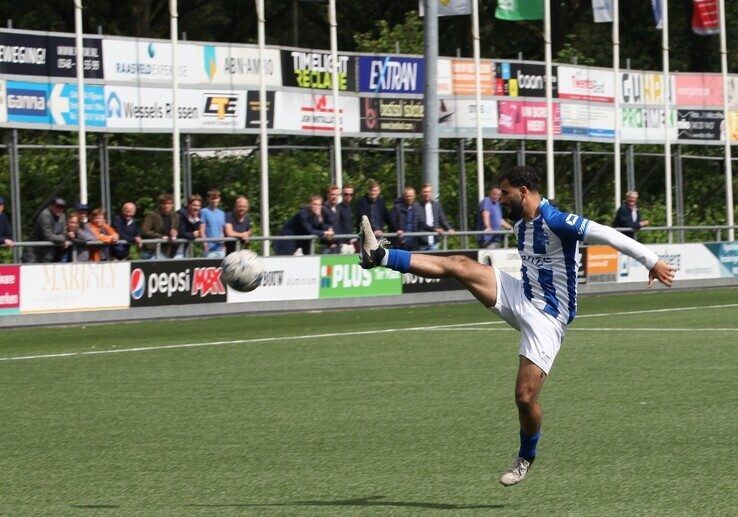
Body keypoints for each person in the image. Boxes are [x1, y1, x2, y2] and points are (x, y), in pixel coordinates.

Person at [357, 165, 676, 487]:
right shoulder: (522, 222)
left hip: (548, 318)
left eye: (506, 191)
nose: (500, 196)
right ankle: (379, 255)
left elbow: (609, 234)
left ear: (524, 191)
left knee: (524, 398)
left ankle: (526, 456)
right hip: (520, 295)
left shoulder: (556, 220)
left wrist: (652, 261)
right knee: (460, 265)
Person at [141, 194, 180, 259]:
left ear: (172, 205)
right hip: (152, 250)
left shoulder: (176, 216)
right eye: (164, 204)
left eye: (169, 204)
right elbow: (145, 230)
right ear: (160, 204)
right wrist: (161, 237)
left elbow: (179, 230)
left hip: (169, 249)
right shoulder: (152, 215)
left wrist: (175, 233)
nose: (166, 206)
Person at [30, 197, 68, 262]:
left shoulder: (62, 216)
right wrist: (62, 239)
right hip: (37, 253)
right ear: (51, 206)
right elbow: (48, 236)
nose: (59, 209)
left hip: (53, 252)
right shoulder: (45, 214)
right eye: (57, 206)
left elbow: (64, 233)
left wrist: (63, 238)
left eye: (62, 207)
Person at [417, 183, 454, 250]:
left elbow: (442, 219)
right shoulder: (416, 206)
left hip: (435, 241)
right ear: (421, 193)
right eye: (425, 192)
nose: (427, 194)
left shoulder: (436, 205)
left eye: (429, 192)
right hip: (422, 242)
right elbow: (421, 223)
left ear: (431, 193)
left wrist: (449, 228)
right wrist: (434, 229)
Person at [389, 186, 422, 251]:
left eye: (411, 196)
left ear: (414, 196)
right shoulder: (397, 208)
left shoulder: (416, 208)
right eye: (407, 196)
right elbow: (392, 221)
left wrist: (433, 228)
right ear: (404, 196)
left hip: (413, 242)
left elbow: (421, 222)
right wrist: (398, 230)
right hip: (400, 242)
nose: (409, 198)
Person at [200, 188, 227, 258]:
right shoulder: (204, 211)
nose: (214, 200)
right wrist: (204, 244)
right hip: (209, 249)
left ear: (219, 199)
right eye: (212, 198)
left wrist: (224, 245)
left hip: (220, 248)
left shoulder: (222, 213)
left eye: (216, 198)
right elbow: (202, 231)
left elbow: (222, 231)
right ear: (208, 199)